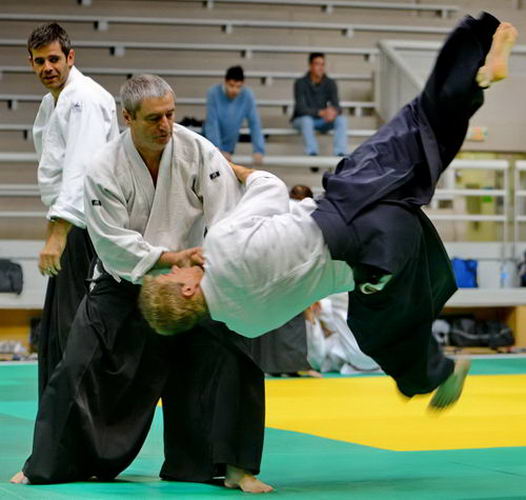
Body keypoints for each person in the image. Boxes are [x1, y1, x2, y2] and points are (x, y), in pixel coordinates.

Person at [139, 14, 517, 410]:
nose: (178, 262)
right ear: (186, 288)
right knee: (419, 122)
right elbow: (269, 188)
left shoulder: (244, 323)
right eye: (175, 271)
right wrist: (236, 170)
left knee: (377, 331)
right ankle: (476, 49)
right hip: (357, 210)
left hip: (384, 261)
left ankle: (434, 373)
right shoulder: (219, 245)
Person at [11, 74, 271, 494]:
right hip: (124, 282)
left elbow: (228, 215)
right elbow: (113, 245)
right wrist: (168, 258)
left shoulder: (198, 151)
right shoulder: (103, 168)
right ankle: (49, 463)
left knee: (235, 351)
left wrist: (204, 265)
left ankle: (233, 467)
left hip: (191, 279)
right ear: (127, 118)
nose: (166, 125)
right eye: (154, 119)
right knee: (76, 365)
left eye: (169, 114)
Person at [27, 22, 119, 397]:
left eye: (53, 59)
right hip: (72, 222)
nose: (47, 67)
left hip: (85, 227)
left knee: (72, 333)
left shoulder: (84, 98)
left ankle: (74, 431)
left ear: (70, 57)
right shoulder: (55, 101)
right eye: (38, 61)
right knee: (55, 337)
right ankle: (57, 434)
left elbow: (82, 170)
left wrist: (58, 232)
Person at [204, 65, 265, 165]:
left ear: (243, 84)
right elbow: (212, 123)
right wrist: (217, 150)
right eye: (231, 85)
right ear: (225, 82)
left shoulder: (247, 95)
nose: (234, 90)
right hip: (210, 145)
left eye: (238, 87)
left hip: (229, 146)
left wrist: (258, 150)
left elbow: (254, 123)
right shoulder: (213, 93)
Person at [291, 52, 348, 157]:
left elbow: (337, 105)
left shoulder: (330, 83)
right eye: (317, 64)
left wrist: (332, 112)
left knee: (341, 119)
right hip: (303, 120)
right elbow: (300, 108)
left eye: (322, 64)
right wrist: (321, 112)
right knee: (306, 120)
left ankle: (340, 154)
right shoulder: (300, 83)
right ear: (310, 65)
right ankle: (312, 153)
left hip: (322, 120)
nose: (320, 68)